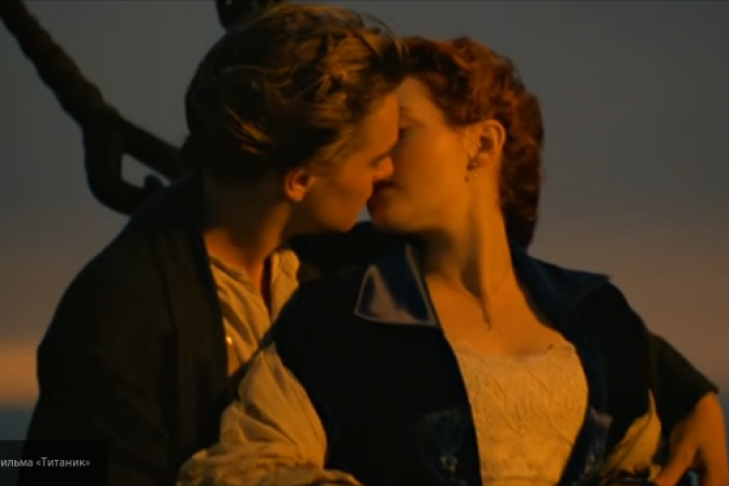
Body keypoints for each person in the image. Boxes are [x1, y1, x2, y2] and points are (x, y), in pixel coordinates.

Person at [177, 36, 728, 486]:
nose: (378, 162)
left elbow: (637, 458)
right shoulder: (340, 316)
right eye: (371, 142)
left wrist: (696, 398)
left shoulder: (595, 313)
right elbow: (238, 470)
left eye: (400, 134)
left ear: (482, 145)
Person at [19, 4, 407, 486]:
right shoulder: (117, 315)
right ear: (300, 179)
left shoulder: (332, 270)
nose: (388, 171)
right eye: (375, 158)